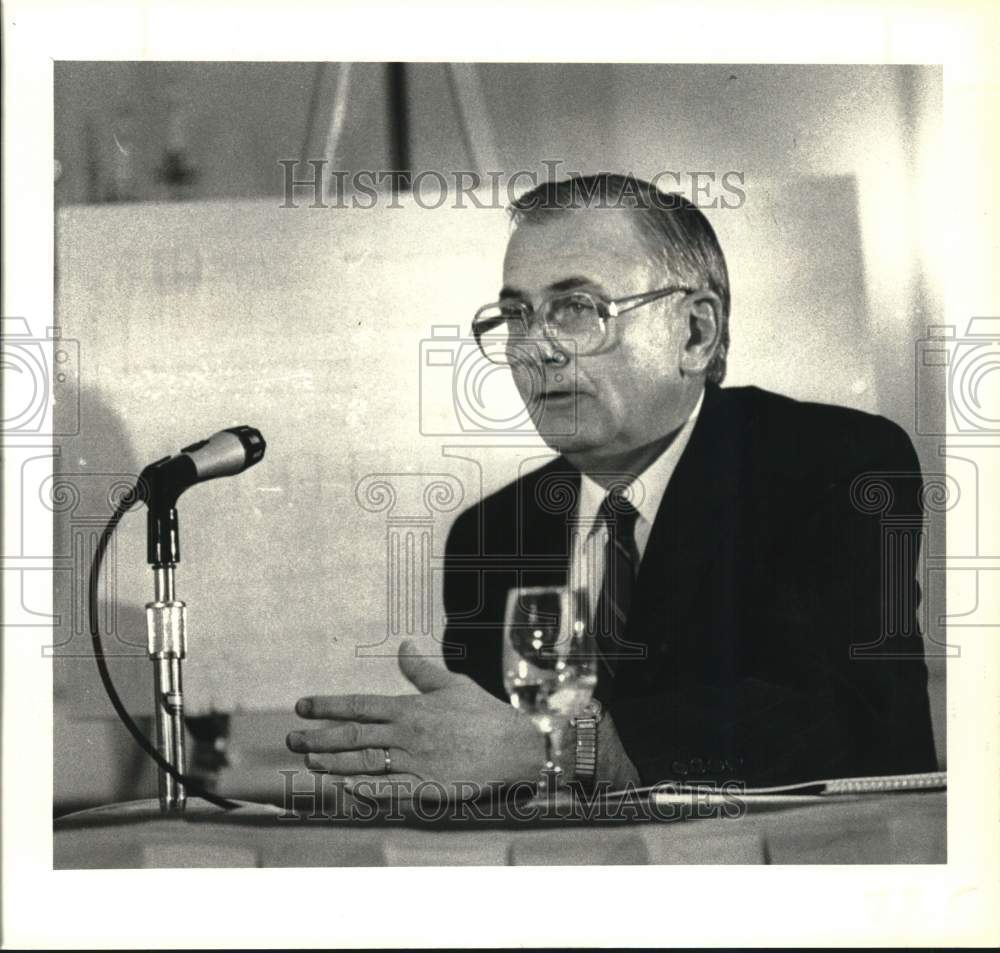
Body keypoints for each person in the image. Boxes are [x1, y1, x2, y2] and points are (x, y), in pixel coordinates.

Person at [287, 173, 938, 796]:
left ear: (695, 332)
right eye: (517, 314)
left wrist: (568, 748)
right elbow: (496, 767)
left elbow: (853, 721)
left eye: (576, 308)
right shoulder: (493, 531)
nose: (536, 347)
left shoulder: (834, 464)